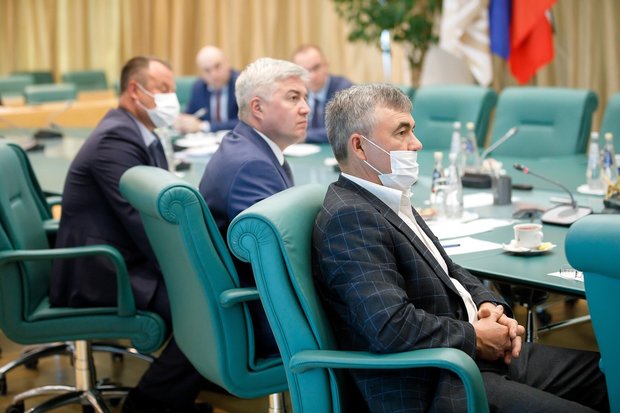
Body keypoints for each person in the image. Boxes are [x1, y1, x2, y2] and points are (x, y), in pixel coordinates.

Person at [312, 83, 609, 413]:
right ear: (359, 146)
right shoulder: (350, 217)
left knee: (610, 376)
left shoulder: (386, 197)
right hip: (438, 381)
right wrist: (476, 336)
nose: (416, 143)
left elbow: (449, 270)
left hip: (471, 357)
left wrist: (488, 304)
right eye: (402, 132)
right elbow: (390, 326)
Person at [50, 56, 211, 413]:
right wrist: (195, 268)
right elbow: (141, 219)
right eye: (162, 89)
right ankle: (147, 405)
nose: (171, 98)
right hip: (101, 270)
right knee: (205, 310)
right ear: (135, 90)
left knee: (205, 298)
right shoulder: (116, 138)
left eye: (173, 90)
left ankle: (177, 396)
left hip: (122, 257)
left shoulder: (137, 131)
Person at [199, 57, 309, 356]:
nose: (305, 108)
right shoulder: (251, 166)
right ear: (257, 107)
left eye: (304, 98)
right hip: (266, 320)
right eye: (293, 98)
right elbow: (279, 258)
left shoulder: (246, 146)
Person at [291, 44, 352, 144]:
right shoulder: (296, 94)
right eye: (305, 71)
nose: (312, 76)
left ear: (326, 65)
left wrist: (304, 136)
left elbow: (342, 130)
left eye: (316, 67)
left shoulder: (345, 91)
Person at [175, 45, 239, 134]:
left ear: (228, 63)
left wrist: (204, 126)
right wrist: (183, 122)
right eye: (207, 70)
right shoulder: (198, 87)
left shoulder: (241, 83)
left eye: (217, 66)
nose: (214, 74)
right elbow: (191, 115)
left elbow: (246, 123)